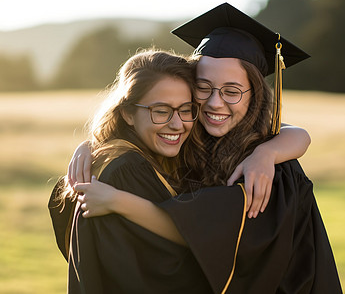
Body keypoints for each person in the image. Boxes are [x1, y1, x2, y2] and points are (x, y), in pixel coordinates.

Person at [72, 3, 342, 294]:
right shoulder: (188, 141)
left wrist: (267, 154)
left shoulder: (270, 173)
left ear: (255, 95)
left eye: (231, 91)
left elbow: (204, 235)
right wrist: (95, 145)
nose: (214, 103)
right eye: (203, 87)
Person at [49, 49, 230, 293]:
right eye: (161, 111)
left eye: (185, 109)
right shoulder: (127, 171)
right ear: (127, 113)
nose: (177, 124)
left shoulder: (125, 158)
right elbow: (172, 267)